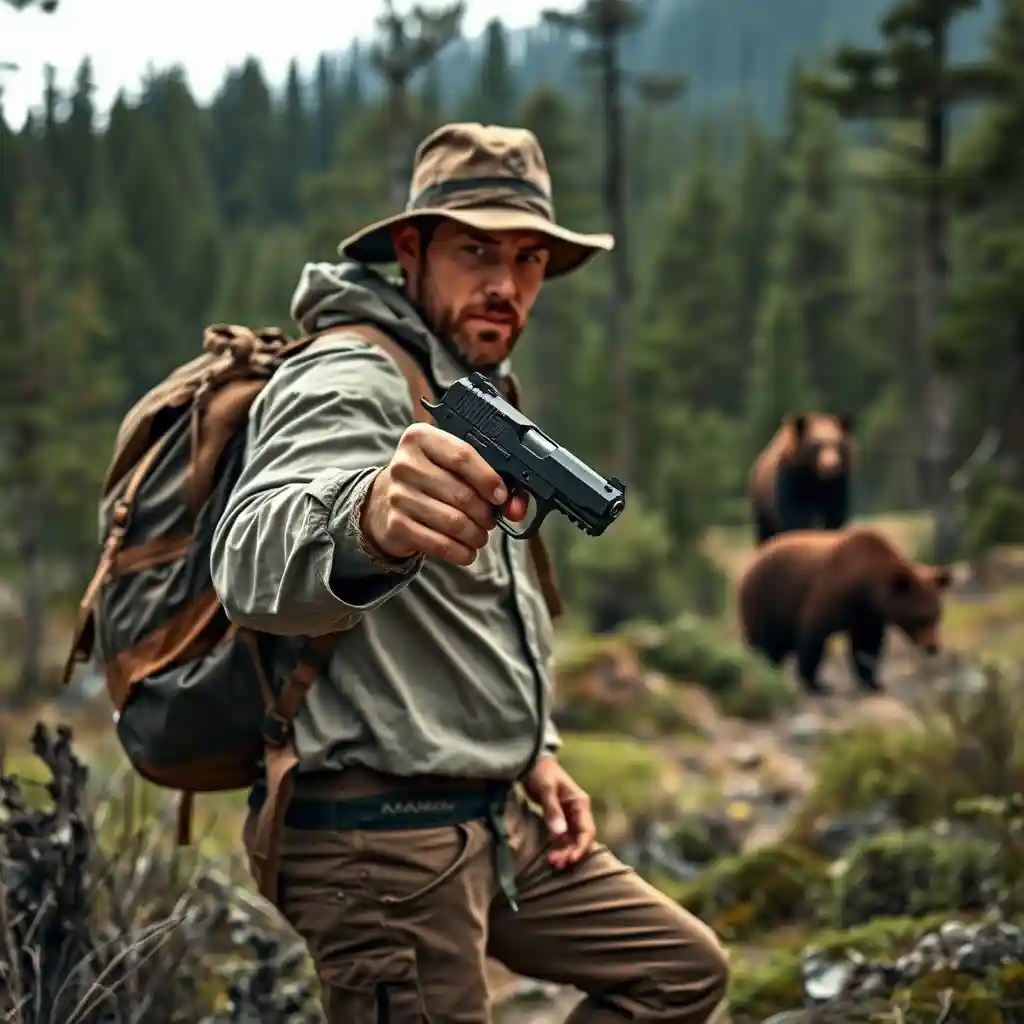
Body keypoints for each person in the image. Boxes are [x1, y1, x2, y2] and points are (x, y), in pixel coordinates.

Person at [210, 122, 730, 1024]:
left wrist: (537, 750)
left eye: (530, 258)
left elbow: (483, 613)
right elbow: (248, 558)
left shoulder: (467, 382)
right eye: (476, 250)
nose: (507, 284)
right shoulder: (349, 376)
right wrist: (366, 517)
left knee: (680, 975)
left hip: (495, 816)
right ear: (410, 250)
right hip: (379, 843)